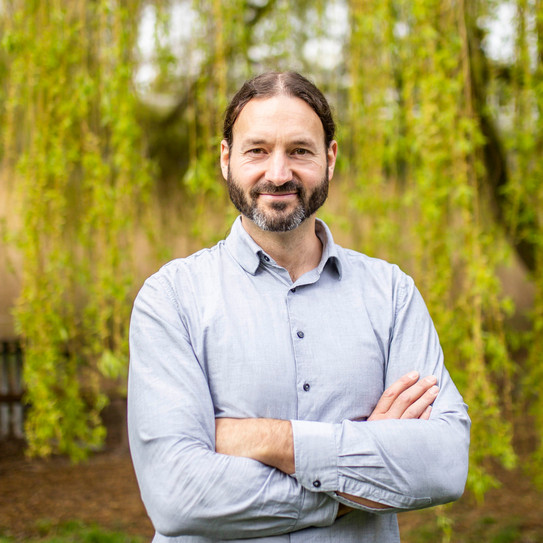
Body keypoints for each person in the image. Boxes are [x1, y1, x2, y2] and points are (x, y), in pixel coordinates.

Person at [127, 71, 470, 543]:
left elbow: (444, 463)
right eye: (258, 150)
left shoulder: (392, 294)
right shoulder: (171, 299)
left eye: (300, 150)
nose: (278, 172)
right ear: (226, 159)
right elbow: (178, 495)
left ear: (330, 158)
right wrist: (359, 477)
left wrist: (269, 440)